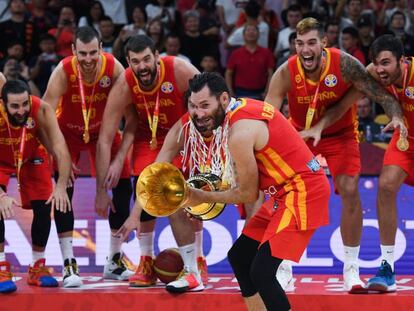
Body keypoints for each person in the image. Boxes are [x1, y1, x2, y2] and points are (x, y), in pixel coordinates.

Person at [126, 71, 330, 310]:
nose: (198, 114)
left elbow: (247, 194)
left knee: (262, 272)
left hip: (303, 190)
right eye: (192, 106)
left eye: (204, 105)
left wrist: (200, 196)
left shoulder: (239, 133)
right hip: (282, 191)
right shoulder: (237, 110)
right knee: (240, 258)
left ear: (223, 99)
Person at [265, 17, 406, 293]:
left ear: (324, 44)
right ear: (295, 45)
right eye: (300, 43)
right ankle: (283, 269)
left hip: (341, 135)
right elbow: (267, 114)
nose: (306, 49)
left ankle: (351, 269)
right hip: (300, 134)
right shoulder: (286, 71)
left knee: (349, 189)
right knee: (285, 193)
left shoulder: (345, 64)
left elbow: (381, 94)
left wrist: (397, 115)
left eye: (312, 43)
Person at [95, 34, 206, 292]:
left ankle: (197, 260)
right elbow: (104, 138)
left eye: (147, 59)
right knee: (144, 187)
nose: (142, 66)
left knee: (188, 201)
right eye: (136, 61)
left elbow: (209, 100)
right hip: (150, 138)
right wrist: (101, 189)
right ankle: (145, 260)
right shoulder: (125, 83)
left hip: (185, 134)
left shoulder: (179, 70)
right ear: (128, 62)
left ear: (157, 56)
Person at [42, 26, 134, 281]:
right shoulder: (63, 72)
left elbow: (131, 117)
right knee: (64, 191)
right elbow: (44, 116)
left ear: (101, 48)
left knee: (124, 185)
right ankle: (69, 264)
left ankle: (114, 261)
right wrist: (56, 152)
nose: (88, 59)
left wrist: (118, 160)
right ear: (73, 51)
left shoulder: (114, 68)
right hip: (67, 134)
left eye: (93, 52)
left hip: (104, 132)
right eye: (82, 53)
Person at [0, 79, 73, 292]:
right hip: (0, 161)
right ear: (3, 104)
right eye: (14, 106)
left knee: (44, 207)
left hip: (32, 156)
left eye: (24, 104)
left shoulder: (42, 109)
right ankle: (1, 266)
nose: (21, 110)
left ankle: (37, 266)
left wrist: (60, 185)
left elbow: (60, 148)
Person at [362, 35, 413, 292]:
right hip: (405, 140)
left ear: (402, 61)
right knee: (385, 186)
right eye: (376, 63)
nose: (380, 69)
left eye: (386, 63)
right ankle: (387, 267)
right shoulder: (373, 72)